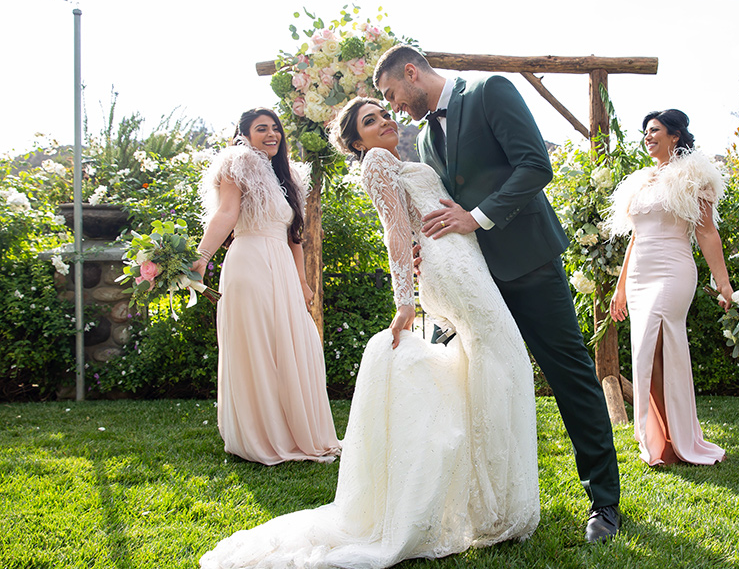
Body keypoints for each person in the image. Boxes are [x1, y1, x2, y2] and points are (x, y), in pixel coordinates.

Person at [199, 97, 539, 568]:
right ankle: (494, 498)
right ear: (357, 141)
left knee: (493, 364)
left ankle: (489, 494)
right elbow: (395, 232)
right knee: (502, 358)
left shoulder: (407, 157)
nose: (385, 122)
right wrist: (405, 300)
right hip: (449, 268)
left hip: (462, 259)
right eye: (370, 121)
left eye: (384, 114)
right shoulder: (377, 161)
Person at [373, 44, 621, 542]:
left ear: (410, 71)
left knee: (570, 374)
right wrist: (427, 249)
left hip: (529, 261)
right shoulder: (422, 141)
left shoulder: (489, 91)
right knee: (464, 381)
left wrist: (477, 216)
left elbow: (535, 165)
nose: (393, 107)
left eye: (391, 94)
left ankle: (605, 504)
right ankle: (480, 499)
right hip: (472, 281)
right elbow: (439, 204)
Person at [191, 107, 340, 466]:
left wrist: (303, 282)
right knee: (257, 347)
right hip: (250, 263)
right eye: (262, 128)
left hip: (284, 271)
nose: (271, 134)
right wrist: (201, 257)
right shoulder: (236, 163)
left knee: (294, 345)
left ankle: (293, 432)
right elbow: (227, 213)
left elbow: (295, 236)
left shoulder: (287, 177)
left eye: (275, 128)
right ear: (244, 134)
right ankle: (261, 436)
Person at [607, 109, 731, 466]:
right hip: (640, 274)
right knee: (648, 353)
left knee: (660, 342)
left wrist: (723, 283)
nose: (648, 137)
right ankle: (662, 438)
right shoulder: (641, 180)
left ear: (675, 136)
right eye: (645, 132)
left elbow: (707, 232)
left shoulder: (694, 176)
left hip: (673, 270)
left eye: (655, 130)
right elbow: (635, 238)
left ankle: (681, 438)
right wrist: (620, 289)